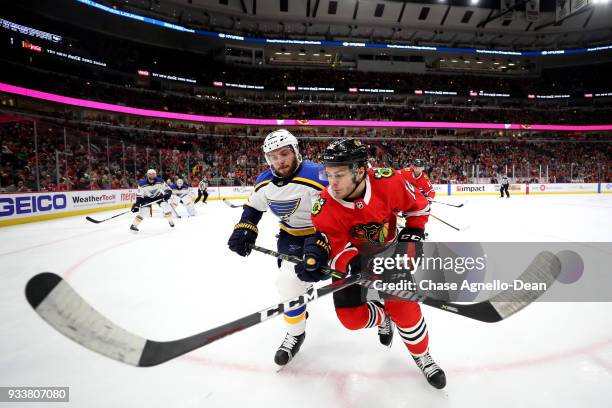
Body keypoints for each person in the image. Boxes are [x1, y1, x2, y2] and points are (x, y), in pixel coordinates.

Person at [297, 138, 446, 389]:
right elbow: (334, 244)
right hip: (353, 259)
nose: (331, 182)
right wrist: (351, 261)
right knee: (351, 319)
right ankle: (383, 315)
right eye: (328, 174)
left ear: (360, 171)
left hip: (388, 253)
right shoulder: (323, 206)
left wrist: (413, 234)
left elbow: (418, 208)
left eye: (339, 175)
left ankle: (422, 356)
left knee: (406, 311)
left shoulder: (388, 181)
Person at [227, 129, 328, 366]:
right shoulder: (264, 182)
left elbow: (343, 202)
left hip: (328, 234)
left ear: (296, 151)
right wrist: (245, 227)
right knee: (288, 284)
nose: (279, 161)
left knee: (353, 276)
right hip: (291, 237)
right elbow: (252, 209)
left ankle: (378, 308)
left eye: (284, 153)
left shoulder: (320, 173)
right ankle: (296, 333)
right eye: (273, 157)